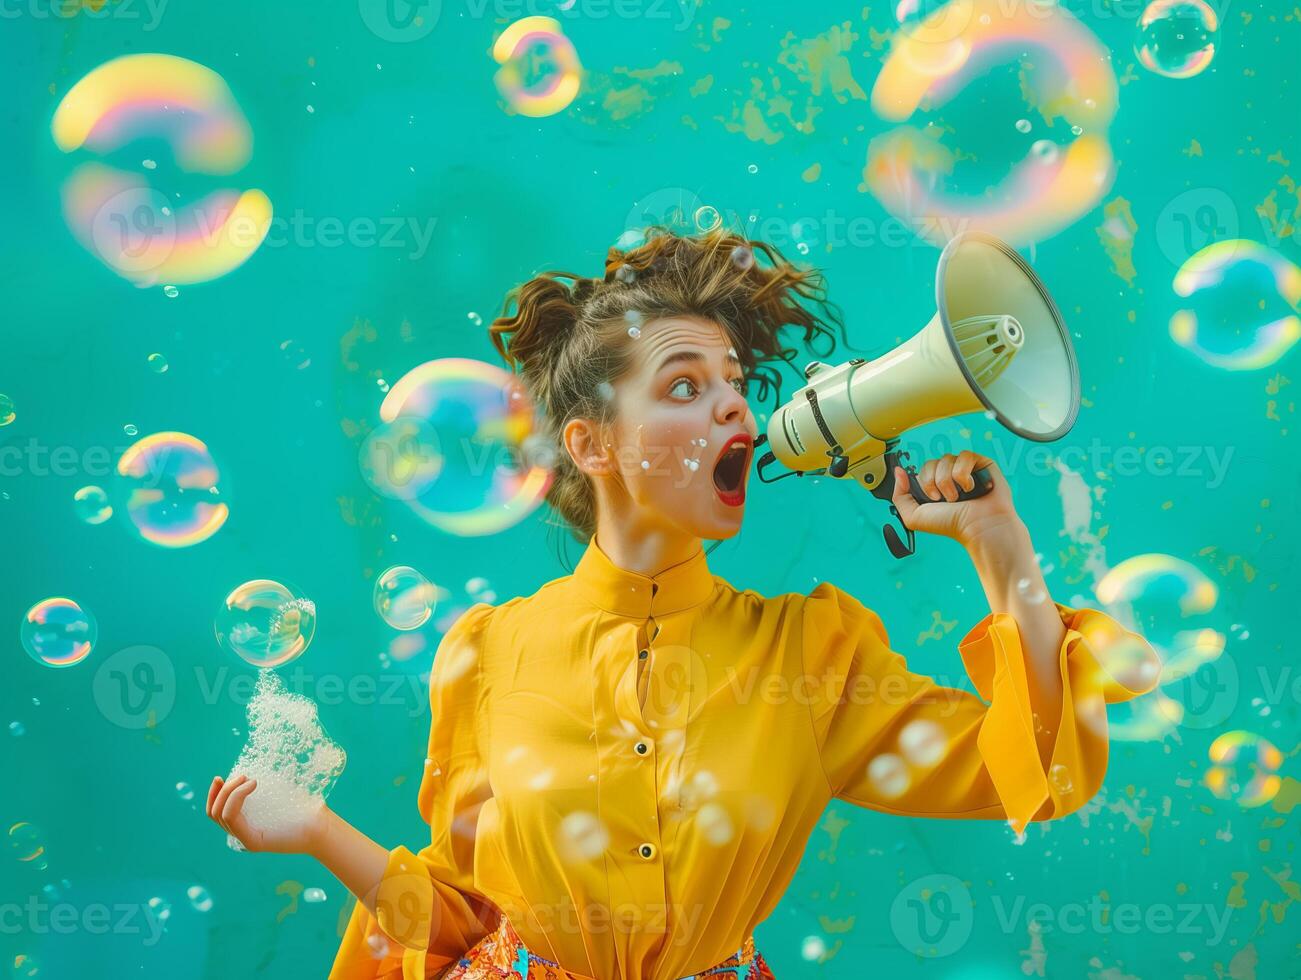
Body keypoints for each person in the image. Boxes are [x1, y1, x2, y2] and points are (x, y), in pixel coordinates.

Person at [205, 225, 1160, 980]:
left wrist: (1001, 548)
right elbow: (461, 925)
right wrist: (317, 832)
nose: (736, 408)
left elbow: (1037, 773)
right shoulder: (486, 652)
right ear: (591, 446)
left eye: (737, 386)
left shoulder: (812, 653)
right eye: (684, 385)